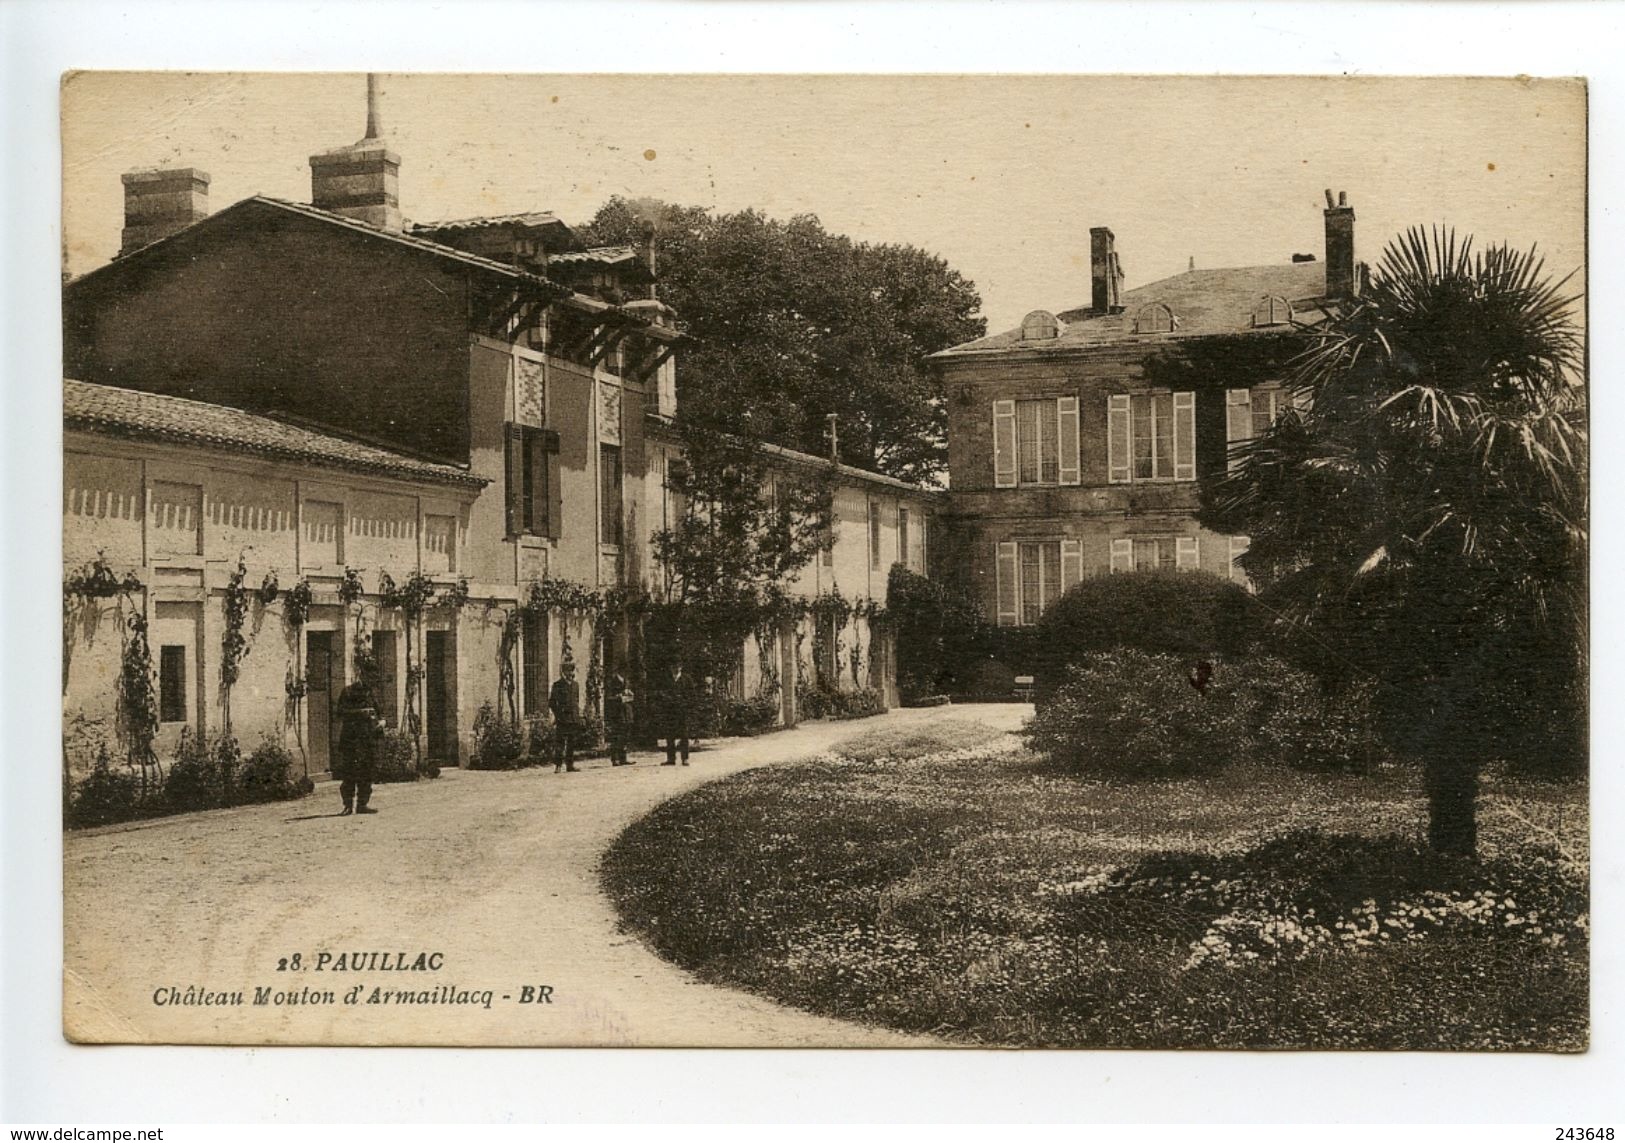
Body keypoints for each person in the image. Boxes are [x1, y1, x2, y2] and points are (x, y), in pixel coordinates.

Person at [334, 678, 383, 815]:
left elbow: (379, 711)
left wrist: (382, 721)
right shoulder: (348, 692)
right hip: (351, 739)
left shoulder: (371, 693)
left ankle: (362, 804)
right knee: (350, 773)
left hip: (368, 739)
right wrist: (360, 713)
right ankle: (348, 805)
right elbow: (340, 712)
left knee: (367, 773)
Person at [657, 660, 694, 767]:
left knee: (684, 735)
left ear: (681, 667)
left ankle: (685, 758)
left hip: (683, 711)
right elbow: (662, 693)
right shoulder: (666, 680)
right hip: (670, 712)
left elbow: (692, 695)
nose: (675, 668)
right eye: (673, 666)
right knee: (670, 735)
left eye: (677, 666)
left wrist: (686, 705)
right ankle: (670, 758)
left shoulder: (687, 679)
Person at [549, 661, 582, 773]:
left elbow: (576, 701)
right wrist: (558, 715)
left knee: (572, 743)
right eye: (568, 670)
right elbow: (552, 703)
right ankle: (558, 765)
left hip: (573, 718)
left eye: (572, 670)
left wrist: (578, 716)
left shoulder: (575, 685)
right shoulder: (557, 685)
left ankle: (570, 765)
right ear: (563, 672)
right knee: (560, 743)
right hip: (563, 719)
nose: (570, 673)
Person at [605, 672, 634, 766]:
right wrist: (619, 698)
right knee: (616, 736)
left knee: (625, 735)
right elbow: (608, 698)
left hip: (627, 713)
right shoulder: (612, 682)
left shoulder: (627, 681)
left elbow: (631, 696)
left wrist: (630, 696)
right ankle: (615, 758)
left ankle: (623, 758)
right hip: (617, 713)